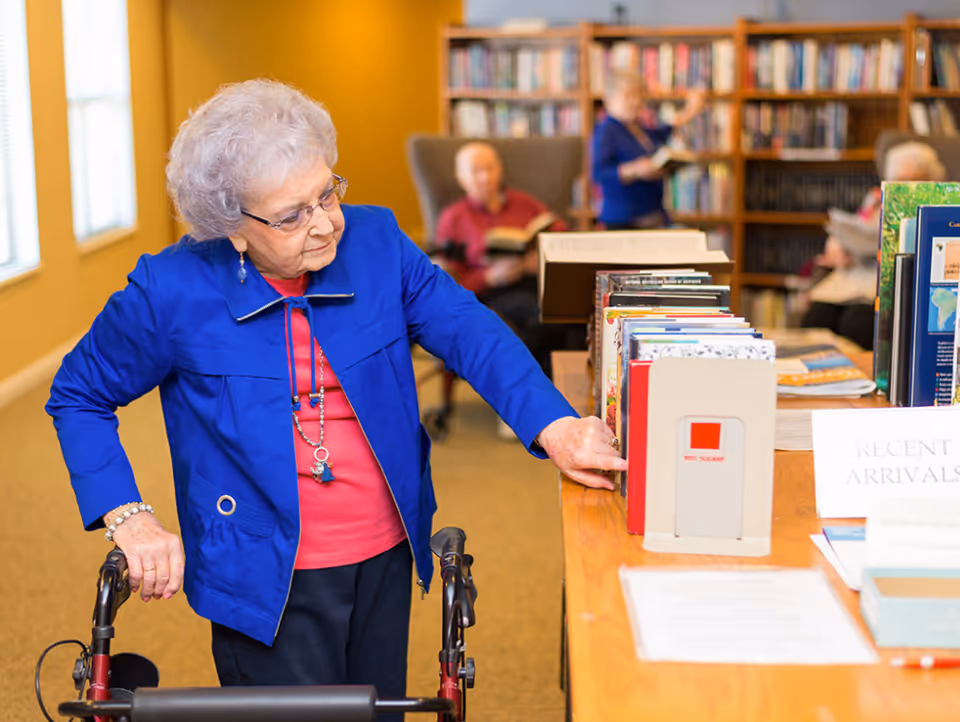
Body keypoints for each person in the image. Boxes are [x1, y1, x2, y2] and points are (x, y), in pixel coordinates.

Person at [45, 80, 626, 716]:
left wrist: (555, 426)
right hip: (261, 571)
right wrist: (130, 515)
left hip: (384, 547)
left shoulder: (375, 242)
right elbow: (79, 394)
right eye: (293, 214)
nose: (325, 224)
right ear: (231, 227)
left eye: (327, 193)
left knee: (373, 708)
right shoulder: (172, 291)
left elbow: (468, 328)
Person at [435, 141, 580, 378]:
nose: (485, 177)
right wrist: (488, 277)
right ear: (460, 177)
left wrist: (540, 258)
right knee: (539, 315)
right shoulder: (453, 219)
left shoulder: (525, 203)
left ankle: (562, 386)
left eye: (490, 168)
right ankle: (537, 387)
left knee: (571, 309)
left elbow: (560, 233)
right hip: (490, 291)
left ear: (500, 169)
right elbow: (447, 282)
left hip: (535, 280)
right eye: (475, 171)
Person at [801, 140, 948, 349]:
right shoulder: (877, 203)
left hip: (886, 283)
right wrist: (838, 248)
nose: (904, 188)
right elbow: (855, 229)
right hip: (853, 276)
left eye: (912, 181)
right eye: (897, 181)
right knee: (816, 316)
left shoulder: (938, 208)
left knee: (856, 322)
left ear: (931, 181)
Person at [592, 70, 705, 230]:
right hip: (625, 222)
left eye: (639, 96)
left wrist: (689, 112)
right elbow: (599, 174)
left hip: (653, 216)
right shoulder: (606, 130)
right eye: (628, 96)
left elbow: (662, 135)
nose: (635, 102)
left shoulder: (638, 127)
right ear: (609, 99)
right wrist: (635, 170)